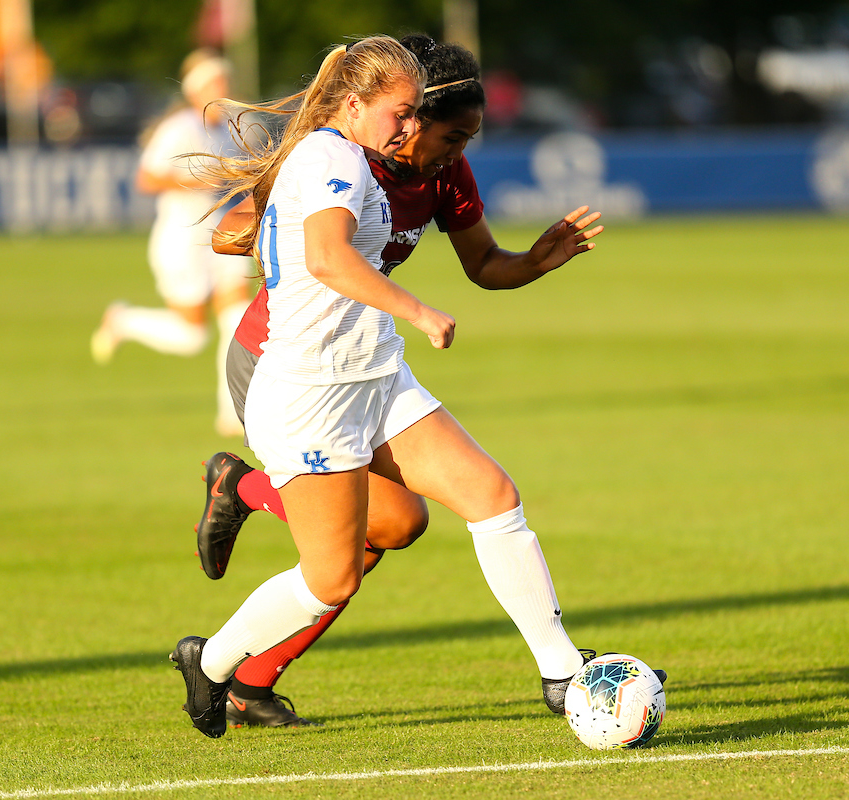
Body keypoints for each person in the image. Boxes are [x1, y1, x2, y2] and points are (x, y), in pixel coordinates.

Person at [171, 34, 601, 740]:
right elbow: (320, 254)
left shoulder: (414, 167)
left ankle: (560, 672)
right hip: (299, 375)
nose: (443, 145)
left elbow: (479, 261)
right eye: (423, 123)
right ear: (369, 103)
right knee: (333, 575)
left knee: (481, 499)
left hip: (373, 366)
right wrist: (409, 304)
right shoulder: (330, 157)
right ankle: (216, 661)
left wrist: (538, 261)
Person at [90, 48, 251, 437]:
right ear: (197, 91)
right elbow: (146, 179)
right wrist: (197, 182)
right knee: (191, 336)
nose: (224, 89)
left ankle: (232, 411)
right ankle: (123, 321)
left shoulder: (224, 129)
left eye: (225, 81)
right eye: (215, 83)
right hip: (181, 240)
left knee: (238, 315)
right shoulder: (180, 127)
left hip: (218, 235)